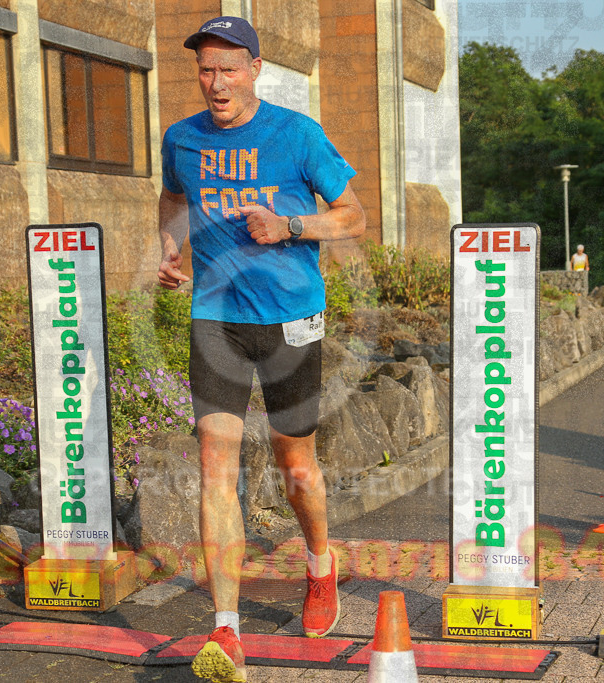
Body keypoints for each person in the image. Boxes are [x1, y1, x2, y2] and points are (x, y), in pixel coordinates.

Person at [156, 16, 366, 683]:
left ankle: (320, 562)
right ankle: (225, 628)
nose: (215, 84)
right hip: (214, 315)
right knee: (217, 463)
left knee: (294, 462)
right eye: (206, 71)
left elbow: (354, 216)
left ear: (254, 68)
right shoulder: (181, 138)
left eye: (228, 69)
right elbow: (171, 197)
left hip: (289, 319)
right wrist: (170, 246)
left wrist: (291, 224)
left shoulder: (296, 135)